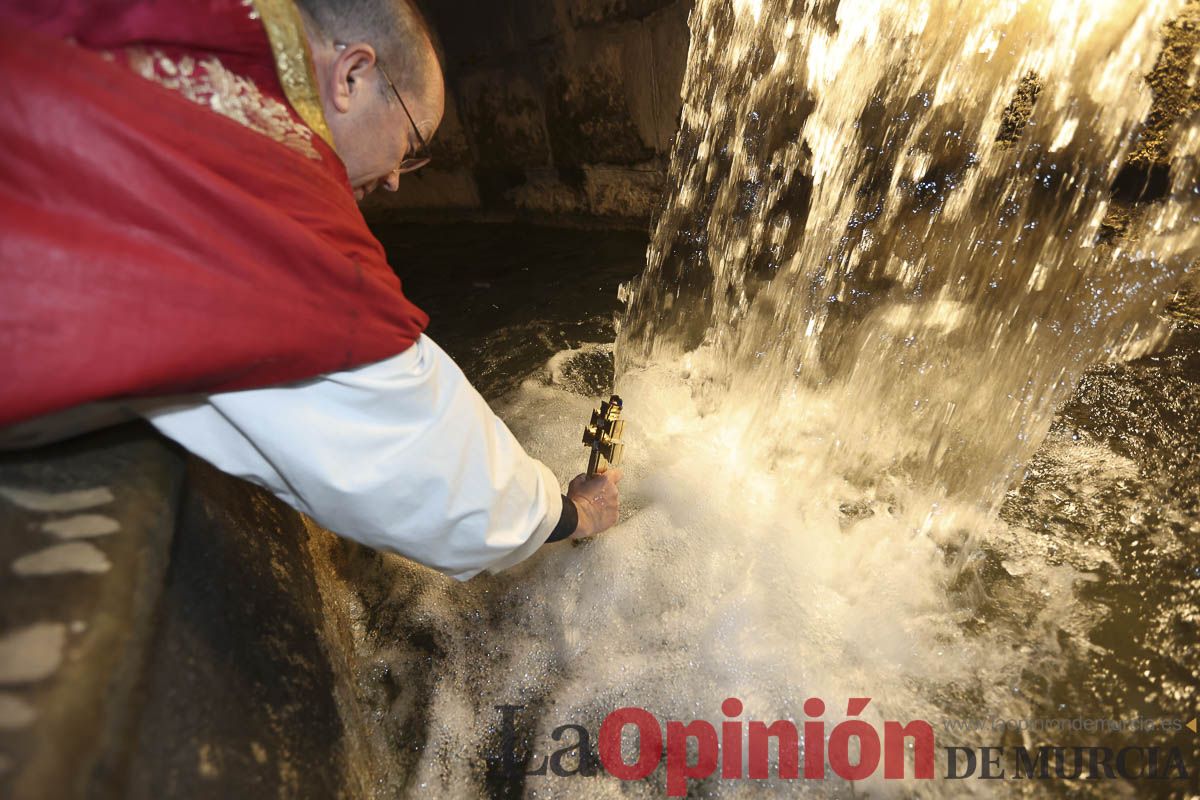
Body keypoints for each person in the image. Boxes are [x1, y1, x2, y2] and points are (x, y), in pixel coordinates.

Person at [0, 0, 622, 581]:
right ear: (352, 75)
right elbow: (421, 457)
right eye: (411, 145)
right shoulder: (271, 188)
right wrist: (568, 515)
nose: (398, 181)